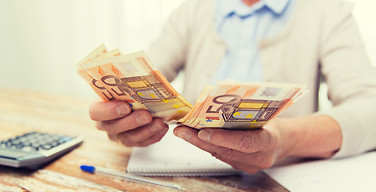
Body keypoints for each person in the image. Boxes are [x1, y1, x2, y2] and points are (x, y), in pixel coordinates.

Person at [89, 0, 376, 174]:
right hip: (188, 186)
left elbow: (370, 109)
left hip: (283, 188)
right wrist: (123, 118)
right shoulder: (194, 9)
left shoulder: (327, 11)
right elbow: (141, 80)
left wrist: (286, 138)